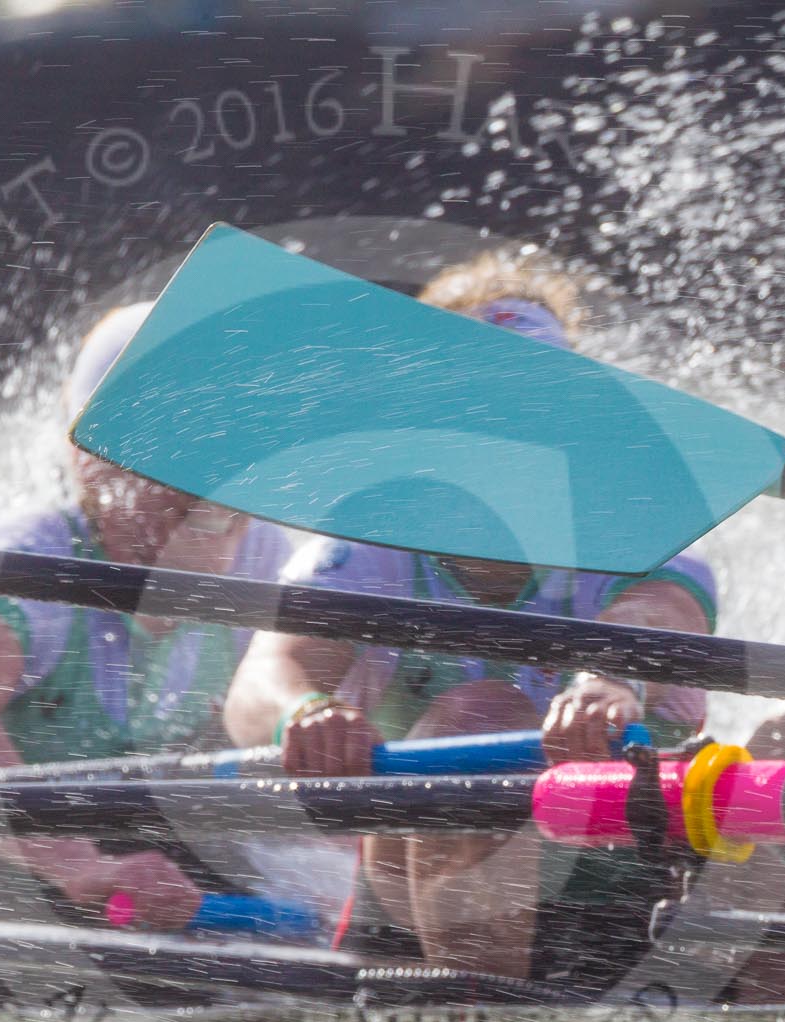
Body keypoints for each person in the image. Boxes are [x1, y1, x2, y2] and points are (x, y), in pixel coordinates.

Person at [222, 252, 720, 984]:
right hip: (419, 893)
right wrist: (307, 711)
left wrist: (609, 678)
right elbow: (264, 676)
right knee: (480, 718)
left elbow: (660, 612)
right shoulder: (370, 543)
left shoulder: (640, 527)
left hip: (630, 875)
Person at [0, 301, 294, 931]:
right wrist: (76, 866)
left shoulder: (265, 552)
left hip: (110, 825)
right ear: (92, 466)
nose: (210, 477)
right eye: (171, 448)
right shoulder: (29, 566)